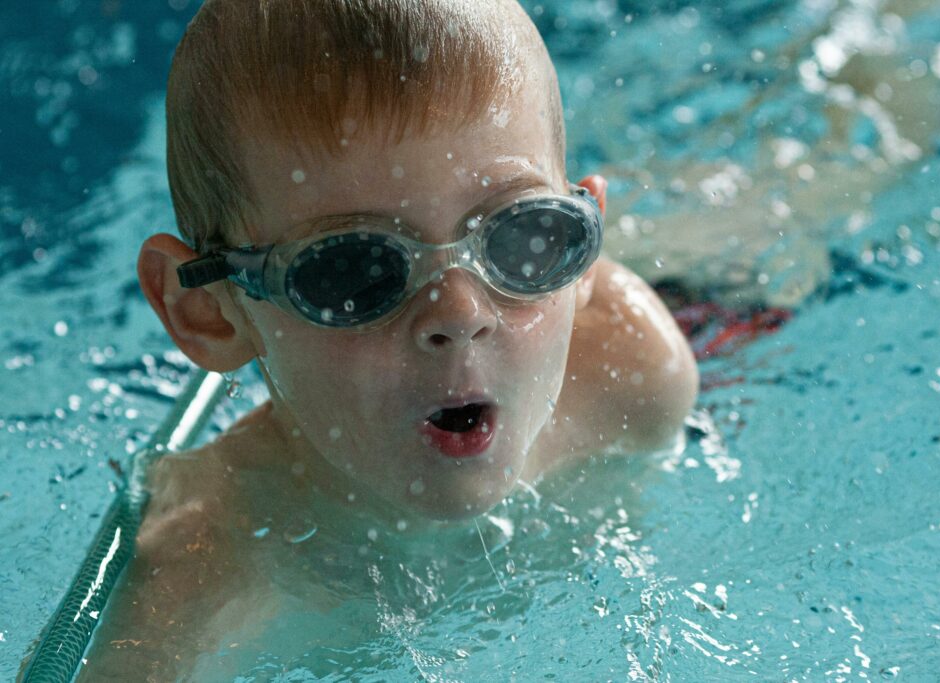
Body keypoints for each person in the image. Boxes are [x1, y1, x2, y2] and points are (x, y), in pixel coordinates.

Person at [76, 0, 698, 679]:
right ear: (209, 312)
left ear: (582, 241)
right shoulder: (206, 550)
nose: (459, 312)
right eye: (354, 269)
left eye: (525, 237)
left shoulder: (631, 376)